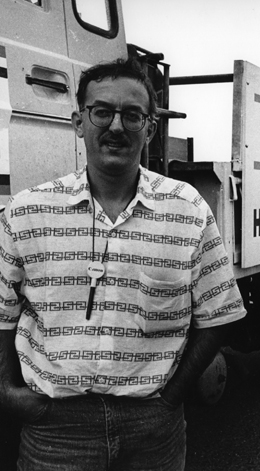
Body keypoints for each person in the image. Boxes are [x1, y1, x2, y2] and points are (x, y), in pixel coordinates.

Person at [0, 58, 246, 470]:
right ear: (79, 122)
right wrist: (6, 391)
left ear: (150, 129)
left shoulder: (187, 209)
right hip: (56, 429)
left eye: (132, 115)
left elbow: (220, 314)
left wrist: (169, 399)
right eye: (102, 112)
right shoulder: (28, 211)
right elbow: (2, 312)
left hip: (152, 429)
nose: (116, 126)